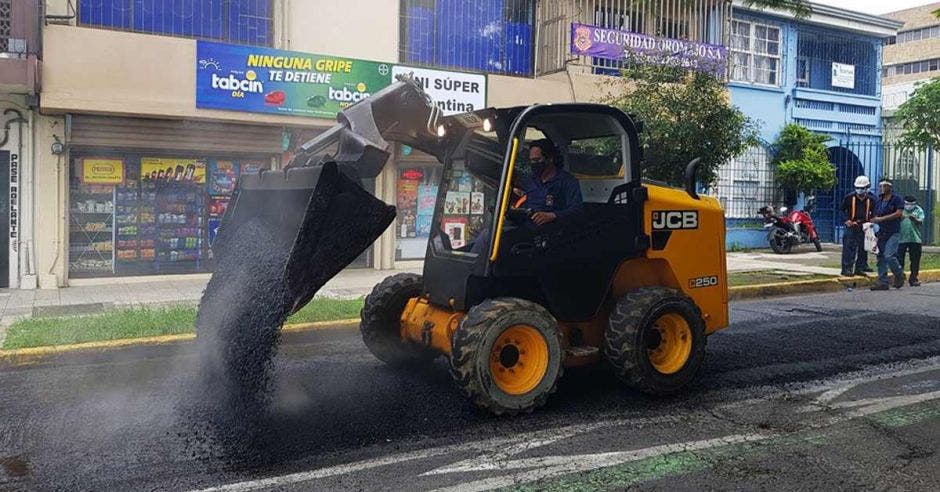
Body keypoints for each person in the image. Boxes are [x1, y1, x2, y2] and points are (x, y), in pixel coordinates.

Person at [469, 138, 583, 255]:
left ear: (550, 159)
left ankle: (471, 269)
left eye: (537, 160)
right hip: (525, 228)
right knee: (484, 234)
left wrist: (552, 216)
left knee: (488, 236)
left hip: (550, 235)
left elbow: (577, 209)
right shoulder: (530, 180)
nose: (534, 164)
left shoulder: (567, 181)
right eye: (531, 161)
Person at [869, 179, 906, 291]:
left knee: (889, 255)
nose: (882, 188)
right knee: (880, 257)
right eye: (880, 186)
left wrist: (881, 219)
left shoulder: (896, 199)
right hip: (881, 232)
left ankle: (899, 274)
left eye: (885, 186)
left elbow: (899, 213)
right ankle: (883, 281)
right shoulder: (879, 200)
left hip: (893, 231)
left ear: (890, 187)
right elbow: (874, 215)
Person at [840, 175, 876, 277]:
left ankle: (860, 268)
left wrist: (871, 222)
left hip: (864, 226)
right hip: (851, 226)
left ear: (867, 188)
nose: (859, 190)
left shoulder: (871, 199)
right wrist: (847, 220)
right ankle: (846, 269)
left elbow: (874, 212)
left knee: (863, 248)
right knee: (849, 247)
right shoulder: (849, 197)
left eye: (862, 188)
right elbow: (841, 210)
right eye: (857, 188)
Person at [898, 195, 925, 287]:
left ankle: (913, 279)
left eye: (911, 204)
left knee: (915, 260)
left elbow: (921, 221)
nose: (909, 206)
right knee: (899, 260)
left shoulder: (918, 210)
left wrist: (915, 219)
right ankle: (899, 279)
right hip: (901, 238)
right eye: (907, 204)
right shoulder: (900, 209)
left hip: (915, 238)